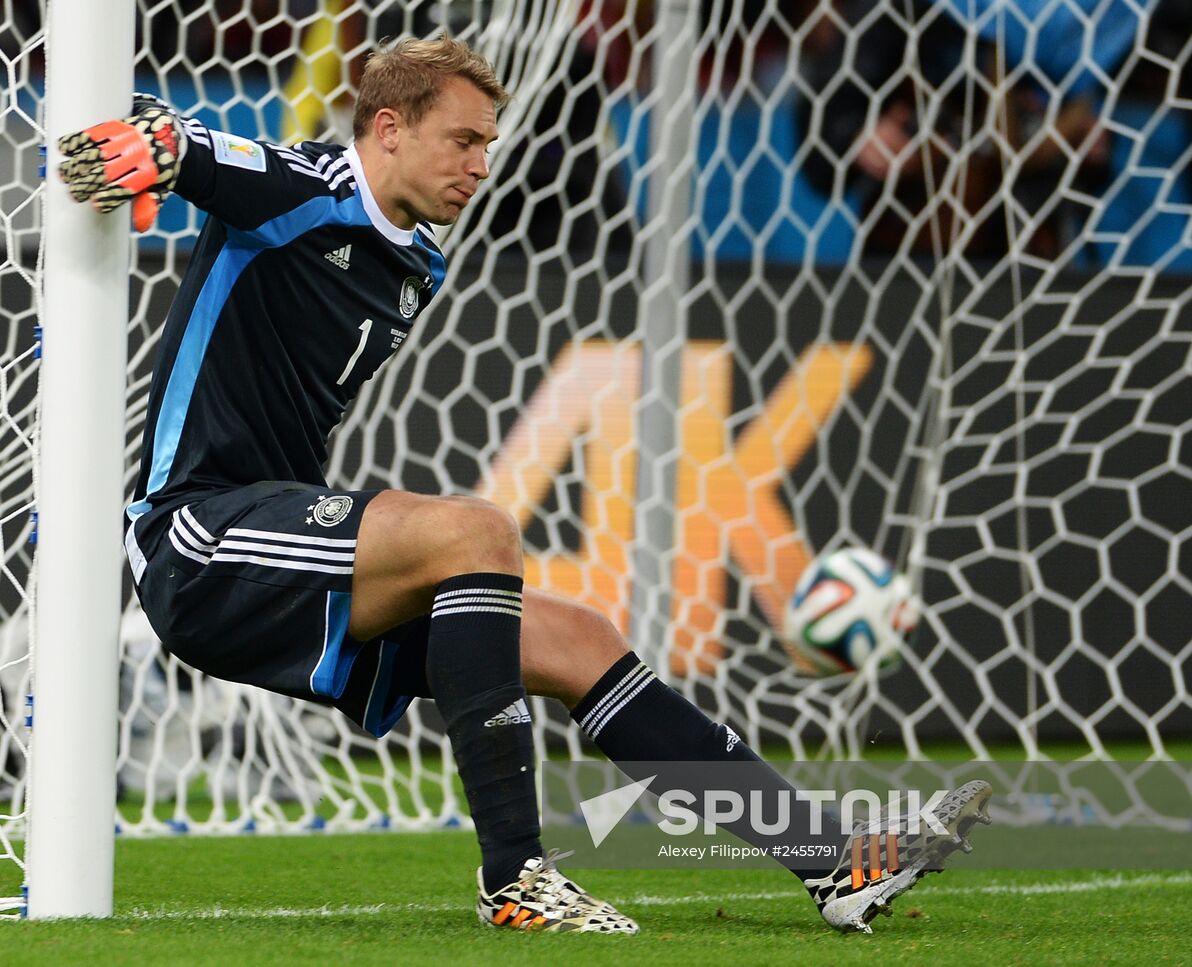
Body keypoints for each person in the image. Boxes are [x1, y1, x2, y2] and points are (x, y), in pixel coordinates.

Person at [56, 35, 990, 935]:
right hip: (200, 539)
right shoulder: (305, 188)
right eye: (462, 140)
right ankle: (516, 876)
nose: (480, 164)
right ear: (388, 129)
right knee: (477, 530)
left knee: (580, 639)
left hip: (286, 550)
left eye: (489, 145)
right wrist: (154, 142)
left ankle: (832, 863)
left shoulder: (420, 263)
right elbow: (201, 153)